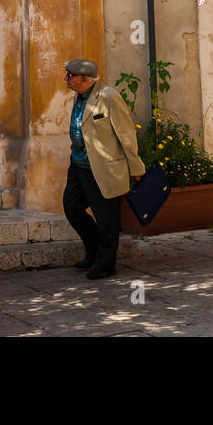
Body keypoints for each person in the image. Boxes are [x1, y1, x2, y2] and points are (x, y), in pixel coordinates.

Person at [61, 58, 145, 279]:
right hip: (78, 165)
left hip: (102, 168)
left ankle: (106, 265)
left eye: (70, 76)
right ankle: (94, 251)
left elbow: (126, 135)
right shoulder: (79, 97)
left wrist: (136, 168)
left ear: (85, 79)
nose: (66, 79)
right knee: (71, 207)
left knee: (106, 219)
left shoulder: (109, 97)